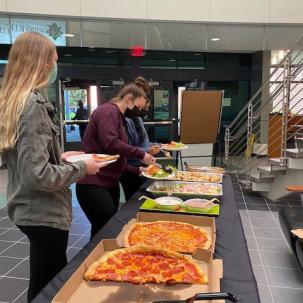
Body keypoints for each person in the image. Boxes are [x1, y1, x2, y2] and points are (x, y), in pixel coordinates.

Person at [0, 32, 106, 302]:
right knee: (50, 287)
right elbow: (36, 175)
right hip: (43, 213)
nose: (56, 66)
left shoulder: (14, 100)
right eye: (54, 60)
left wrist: (61, 157)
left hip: (28, 209)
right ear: (41, 62)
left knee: (44, 280)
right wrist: (83, 169)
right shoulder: (32, 104)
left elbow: (29, 158)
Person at [76, 84, 155, 238]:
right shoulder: (108, 111)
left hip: (107, 182)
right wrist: (141, 154)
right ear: (129, 99)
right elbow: (110, 143)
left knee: (102, 230)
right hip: (93, 183)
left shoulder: (118, 117)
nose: (138, 112)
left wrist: (138, 170)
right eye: (138, 108)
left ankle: (96, 259)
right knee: (108, 229)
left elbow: (116, 159)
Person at [120, 77, 161, 200]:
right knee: (135, 201)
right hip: (132, 169)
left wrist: (161, 146)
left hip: (144, 166)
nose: (144, 110)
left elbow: (145, 143)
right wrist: (147, 151)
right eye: (142, 107)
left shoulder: (138, 119)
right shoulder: (124, 120)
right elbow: (127, 149)